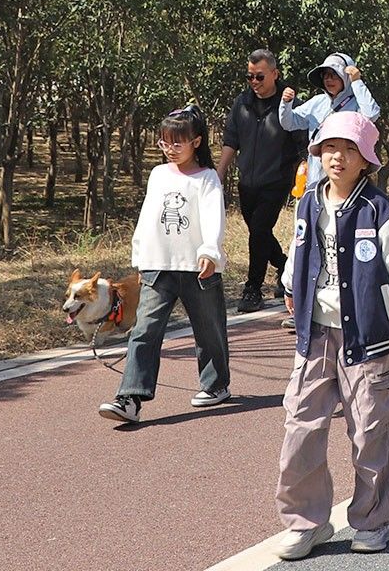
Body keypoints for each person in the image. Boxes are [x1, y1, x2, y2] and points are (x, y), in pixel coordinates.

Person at [275, 111, 389, 560]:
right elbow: (299, 248)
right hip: (315, 335)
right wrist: (292, 286)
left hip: (368, 339)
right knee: (300, 426)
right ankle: (306, 522)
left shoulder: (380, 211)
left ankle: (372, 520)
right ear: (318, 154)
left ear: (365, 160)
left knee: (370, 430)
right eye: (330, 147)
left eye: (349, 149)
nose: (338, 157)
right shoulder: (308, 201)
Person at [99, 106, 232, 424]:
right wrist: (140, 256)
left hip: (199, 267)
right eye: (164, 142)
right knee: (144, 330)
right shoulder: (158, 175)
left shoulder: (207, 179)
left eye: (177, 143)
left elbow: (215, 217)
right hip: (158, 265)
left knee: (209, 329)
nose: (170, 149)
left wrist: (210, 252)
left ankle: (215, 385)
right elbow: (147, 219)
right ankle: (129, 397)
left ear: (196, 142)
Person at [217, 49, 306, 313]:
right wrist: (219, 173)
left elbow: (303, 144)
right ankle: (283, 266)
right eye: (250, 77)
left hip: (276, 180)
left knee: (258, 230)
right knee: (259, 232)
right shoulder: (241, 103)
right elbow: (231, 140)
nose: (254, 82)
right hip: (248, 181)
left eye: (259, 77)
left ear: (274, 74)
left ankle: (253, 289)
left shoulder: (289, 104)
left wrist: (304, 170)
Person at [280, 52, 381, 188]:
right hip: (315, 176)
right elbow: (289, 123)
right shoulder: (317, 102)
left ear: (345, 77)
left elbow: (371, 114)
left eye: (334, 75)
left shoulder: (358, 103)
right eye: (325, 75)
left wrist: (357, 82)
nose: (329, 80)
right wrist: (285, 104)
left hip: (344, 175)